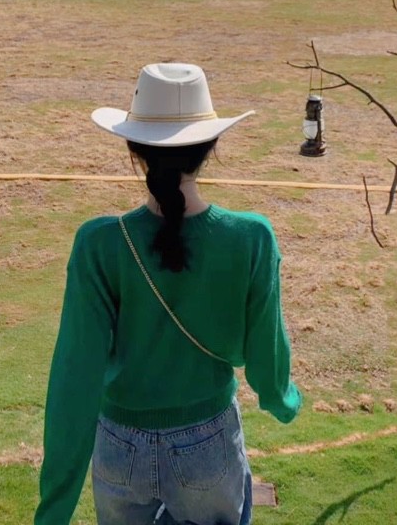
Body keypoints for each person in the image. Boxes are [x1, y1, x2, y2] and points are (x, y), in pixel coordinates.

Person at [35, 63, 302, 525]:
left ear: (133, 151)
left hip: (118, 445)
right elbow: (265, 358)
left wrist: (54, 510)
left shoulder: (98, 244)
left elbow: (74, 378)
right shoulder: (251, 238)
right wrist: (283, 400)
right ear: (211, 148)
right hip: (208, 443)